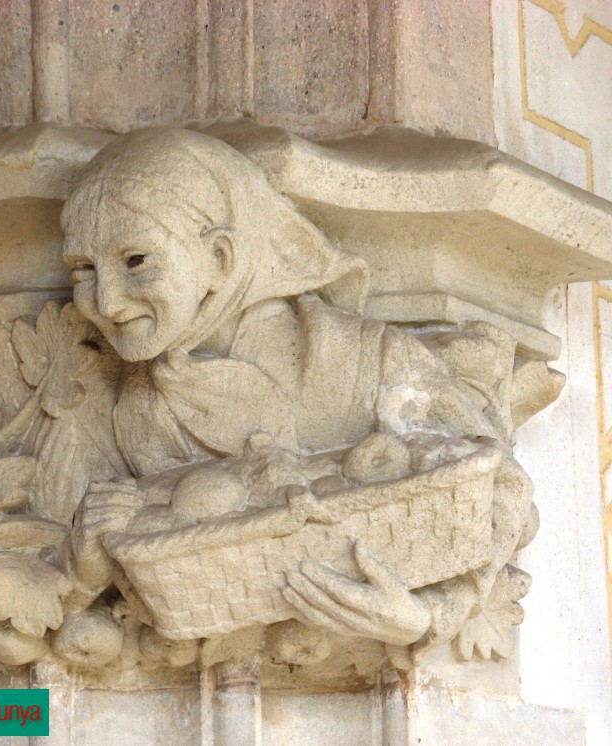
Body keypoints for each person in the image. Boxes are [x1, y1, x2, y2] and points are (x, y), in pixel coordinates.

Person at [56, 127, 533, 654]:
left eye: (136, 261)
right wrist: (87, 572)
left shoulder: (361, 359)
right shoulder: (121, 397)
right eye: (83, 269)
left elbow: (502, 486)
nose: (107, 301)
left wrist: (428, 615)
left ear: (219, 257)